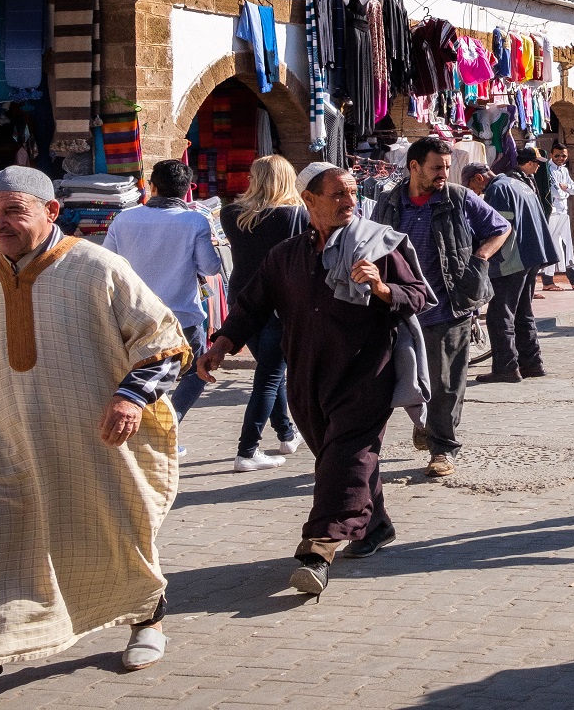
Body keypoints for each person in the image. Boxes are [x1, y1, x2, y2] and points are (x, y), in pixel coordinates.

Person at [0, 168, 193, 710]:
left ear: (51, 212)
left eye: (12, 211)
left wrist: (129, 397)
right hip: (3, 446)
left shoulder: (97, 266)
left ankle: (147, 617)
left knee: (113, 536)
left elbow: (164, 340)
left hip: (92, 444)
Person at [198, 163, 433, 594]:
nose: (349, 202)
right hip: (307, 374)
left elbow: (417, 293)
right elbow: (251, 307)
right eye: (338, 195)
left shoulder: (377, 245)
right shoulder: (285, 256)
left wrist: (382, 289)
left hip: (367, 372)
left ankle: (318, 548)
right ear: (309, 200)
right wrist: (221, 344)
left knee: (348, 455)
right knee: (338, 458)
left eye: (352, 194)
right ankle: (375, 526)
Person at [369, 137, 509, 478]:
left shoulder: (458, 198)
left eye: (447, 167)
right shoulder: (388, 203)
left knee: (446, 383)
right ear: (414, 166)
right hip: (399, 307)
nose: (444, 174)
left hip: (449, 306)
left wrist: (479, 258)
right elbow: (370, 241)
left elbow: (500, 228)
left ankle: (442, 448)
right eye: (437, 168)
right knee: (398, 378)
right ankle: (426, 424)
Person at [103, 159, 224, 425]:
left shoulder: (125, 219)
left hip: (133, 316)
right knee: (196, 372)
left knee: (138, 375)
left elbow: (107, 264)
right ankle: (172, 423)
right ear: (187, 189)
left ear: (152, 186)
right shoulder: (195, 221)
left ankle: (150, 425)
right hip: (182, 316)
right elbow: (210, 267)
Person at [219, 156, 307, 473]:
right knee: (270, 375)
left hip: (242, 298)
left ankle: (286, 434)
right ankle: (247, 450)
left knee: (270, 370)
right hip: (278, 301)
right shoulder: (296, 214)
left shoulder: (231, 214)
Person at [469, 153, 559, 383]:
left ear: (479, 178)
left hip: (514, 258)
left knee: (500, 314)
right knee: (523, 312)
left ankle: (506, 367)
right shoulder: (517, 183)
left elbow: (498, 228)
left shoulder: (497, 189)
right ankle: (532, 363)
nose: (476, 195)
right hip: (532, 255)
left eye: (473, 189)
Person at [539, 143, 574, 291]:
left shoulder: (564, 170)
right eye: (557, 155)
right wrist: (565, 190)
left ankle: (572, 279)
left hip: (563, 212)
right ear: (551, 155)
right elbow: (557, 192)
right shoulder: (548, 170)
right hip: (552, 213)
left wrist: (565, 188)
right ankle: (549, 281)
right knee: (553, 246)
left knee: (567, 245)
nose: (560, 158)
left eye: (564, 156)